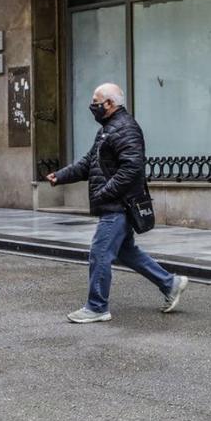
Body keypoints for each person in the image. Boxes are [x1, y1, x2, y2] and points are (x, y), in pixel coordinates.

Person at [46, 83, 188, 324]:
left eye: (96, 101)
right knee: (127, 251)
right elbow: (88, 163)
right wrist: (61, 176)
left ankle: (97, 307)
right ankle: (170, 283)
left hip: (118, 205)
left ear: (109, 104)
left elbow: (132, 168)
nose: (92, 106)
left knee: (100, 253)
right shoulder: (108, 129)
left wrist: (104, 192)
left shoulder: (125, 128)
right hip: (114, 202)